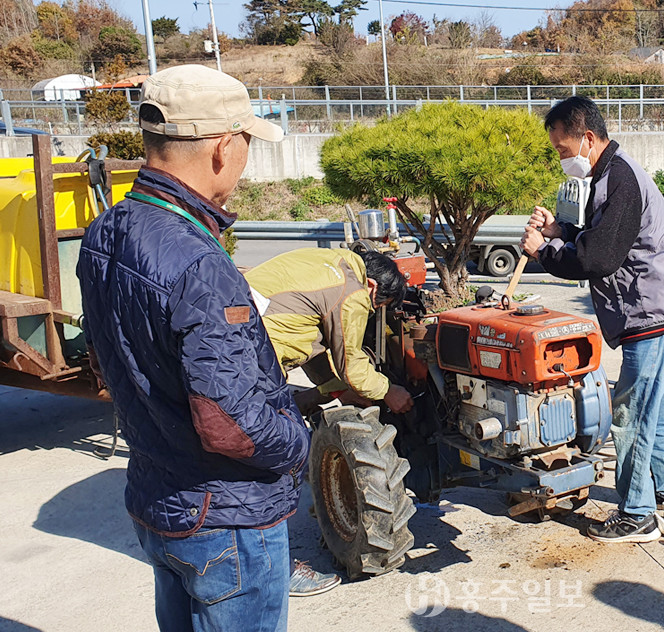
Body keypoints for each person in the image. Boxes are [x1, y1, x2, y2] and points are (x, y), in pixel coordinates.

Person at [76, 65, 335, 632]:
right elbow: (229, 424)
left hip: (156, 498)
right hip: (227, 519)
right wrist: (299, 443)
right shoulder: (199, 263)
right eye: (245, 143)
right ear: (223, 147)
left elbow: (103, 360)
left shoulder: (106, 231)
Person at [520, 96, 664, 544]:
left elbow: (599, 258)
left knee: (630, 414)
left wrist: (543, 253)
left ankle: (637, 513)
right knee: (652, 412)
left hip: (655, 315)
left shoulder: (619, 180)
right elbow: (602, 235)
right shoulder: (609, 173)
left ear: (587, 137)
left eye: (563, 149)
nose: (561, 159)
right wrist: (560, 231)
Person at [243, 248, 414, 416]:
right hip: (253, 345)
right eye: (378, 305)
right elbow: (351, 366)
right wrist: (388, 391)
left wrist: (337, 389)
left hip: (232, 319)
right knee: (271, 428)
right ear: (371, 285)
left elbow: (306, 335)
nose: (372, 309)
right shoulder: (353, 293)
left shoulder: (327, 258)